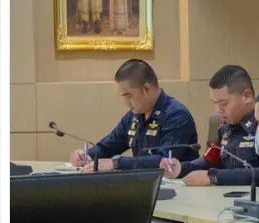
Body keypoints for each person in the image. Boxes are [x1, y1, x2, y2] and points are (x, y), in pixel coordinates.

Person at [160, 65, 259, 188]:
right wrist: (181, 168)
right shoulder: (225, 128)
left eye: (223, 103)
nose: (218, 110)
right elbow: (208, 161)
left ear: (247, 96)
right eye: (215, 103)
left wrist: (214, 177)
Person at [69, 59, 199, 171]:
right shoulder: (134, 116)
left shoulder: (176, 116)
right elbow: (109, 146)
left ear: (146, 89)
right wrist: (87, 155)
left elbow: (164, 161)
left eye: (128, 96)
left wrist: (116, 164)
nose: (126, 103)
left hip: (180, 185)